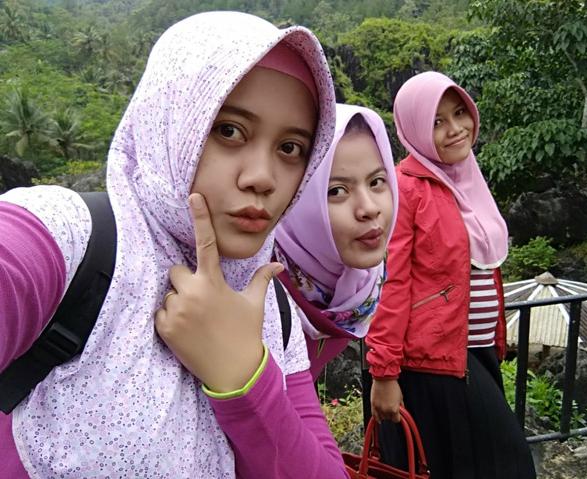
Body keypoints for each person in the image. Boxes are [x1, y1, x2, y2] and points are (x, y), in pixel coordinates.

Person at [0, 11, 350, 478]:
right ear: (168, 123)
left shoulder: (270, 305)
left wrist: (244, 375)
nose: (263, 178)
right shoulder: (72, 241)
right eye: (228, 130)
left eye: (290, 148)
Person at [366, 71, 536, 479]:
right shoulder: (406, 188)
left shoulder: (466, 178)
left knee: (464, 467)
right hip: (430, 362)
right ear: (415, 129)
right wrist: (384, 373)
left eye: (459, 113)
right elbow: (391, 282)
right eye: (437, 121)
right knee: (509, 465)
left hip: (474, 352)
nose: (455, 128)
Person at [274, 103, 398, 381]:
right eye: (337, 191)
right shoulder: (260, 291)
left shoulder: (363, 281)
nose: (369, 208)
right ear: (299, 199)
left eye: (377, 182)